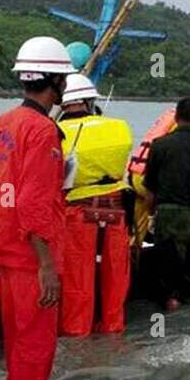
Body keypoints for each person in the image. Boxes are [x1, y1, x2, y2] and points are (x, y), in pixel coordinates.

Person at [0, 37, 70, 380]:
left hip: (4, 253)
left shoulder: (5, 121)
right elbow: (33, 203)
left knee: (17, 343)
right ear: (54, 82)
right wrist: (47, 265)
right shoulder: (43, 130)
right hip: (31, 260)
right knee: (35, 347)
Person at [57, 74, 133, 335]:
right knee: (115, 283)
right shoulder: (119, 127)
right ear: (90, 102)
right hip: (116, 212)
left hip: (76, 214)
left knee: (77, 284)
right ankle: (113, 335)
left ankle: (76, 339)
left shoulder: (55, 132)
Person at [142, 96, 190, 311]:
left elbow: (150, 187)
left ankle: (172, 306)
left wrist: (150, 216)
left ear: (176, 117)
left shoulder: (160, 146)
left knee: (169, 276)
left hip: (168, 213)